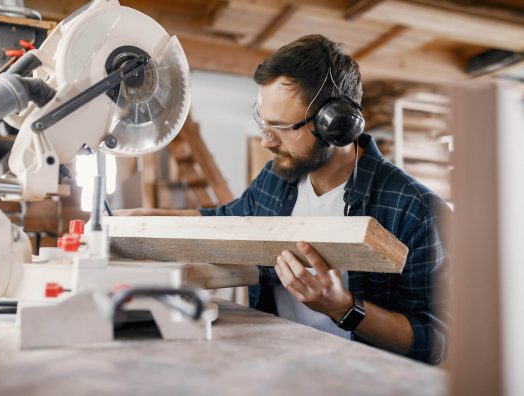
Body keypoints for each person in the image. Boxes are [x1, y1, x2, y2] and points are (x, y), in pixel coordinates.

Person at [118, 34, 448, 365]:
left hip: (361, 376)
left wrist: (343, 307)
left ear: (335, 124)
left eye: (280, 128)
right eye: (263, 123)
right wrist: (148, 219)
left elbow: (434, 342)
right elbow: (228, 218)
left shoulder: (414, 208)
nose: (266, 142)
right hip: (276, 362)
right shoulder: (277, 179)